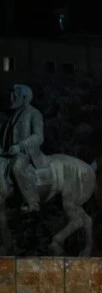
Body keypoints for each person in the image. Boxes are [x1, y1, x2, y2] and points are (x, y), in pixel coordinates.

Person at [1, 84, 47, 213]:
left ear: (25, 98)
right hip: (9, 154)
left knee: (17, 166)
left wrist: (20, 146)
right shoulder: (11, 117)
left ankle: (32, 201)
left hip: (28, 154)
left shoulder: (34, 113)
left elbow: (38, 137)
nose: (11, 99)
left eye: (15, 96)